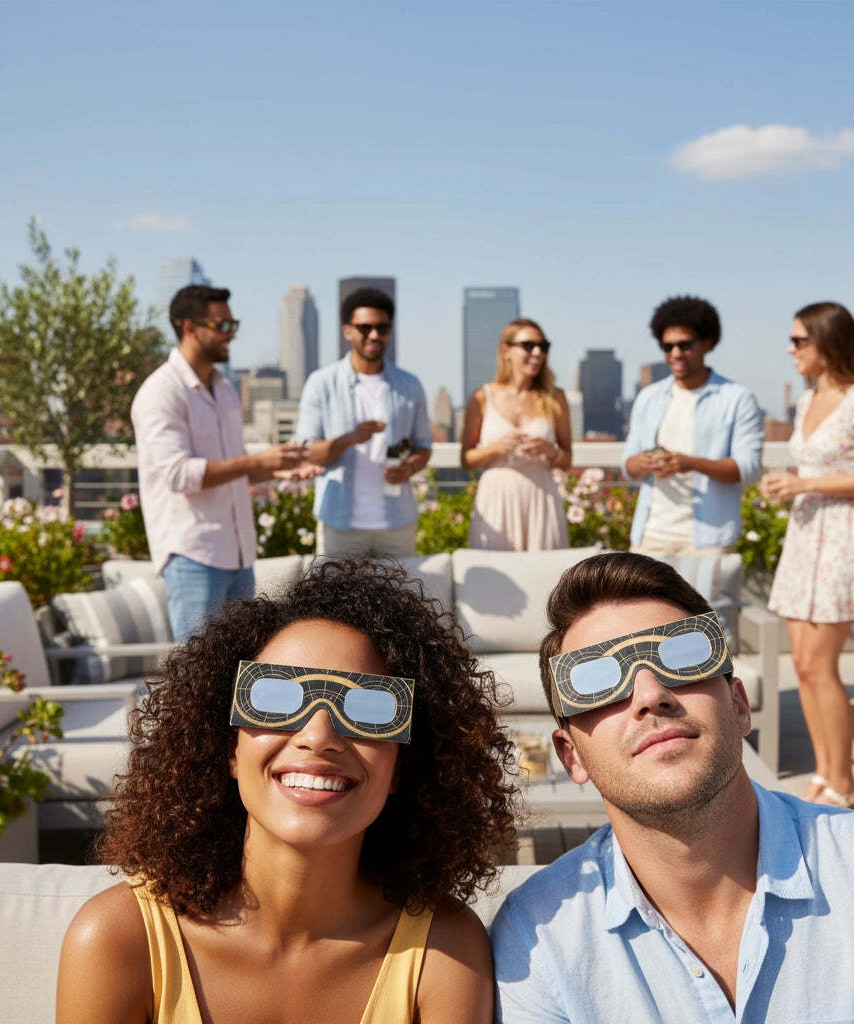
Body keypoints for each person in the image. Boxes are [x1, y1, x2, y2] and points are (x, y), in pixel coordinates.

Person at [491, 551, 854, 1023]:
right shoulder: (537, 943)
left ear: (740, 706)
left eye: (682, 656)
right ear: (570, 755)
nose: (650, 694)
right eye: (597, 681)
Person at [58, 556, 518, 1024]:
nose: (318, 736)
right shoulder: (119, 939)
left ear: (402, 765)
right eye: (276, 698)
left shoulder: (445, 951)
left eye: (368, 707)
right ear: (228, 750)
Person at [760, 302, 854, 810]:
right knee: (802, 664)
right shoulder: (809, 397)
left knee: (822, 665)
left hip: (838, 537)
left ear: (826, 341)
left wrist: (805, 482)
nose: (790, 349)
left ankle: (847, 783)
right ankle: (825, 772)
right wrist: (792, 489)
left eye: (799, 340)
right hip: (805, 534)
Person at [131, 285, 308, 641]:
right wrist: (256, 460)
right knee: (197, 678)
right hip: (193, 556)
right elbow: (180, 475)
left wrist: (276, 470)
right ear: (189, 328)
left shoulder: (225, 388)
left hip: (239, 556)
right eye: (222, 325)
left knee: (239, 672)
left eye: (233, 324)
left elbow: (233, 469)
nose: (231, 334)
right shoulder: (161, 392)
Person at [295, 288, 432, 557]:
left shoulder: (410, 385)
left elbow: (423, 446)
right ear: (347, 331)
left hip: (397, 523)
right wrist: (351, 438)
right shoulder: (321, 383)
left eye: (382, 328)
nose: (374, 335)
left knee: (401, 599)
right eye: (365, 327)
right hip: (340, 523)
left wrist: (409, 468)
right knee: (335, 599)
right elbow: (307, 452)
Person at [623, 296, 764, 556]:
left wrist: (692, 463)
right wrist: (644, 463)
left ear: (707, 344)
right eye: (667, 347)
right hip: (651, 537)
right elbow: (627, 464)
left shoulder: (737, 398)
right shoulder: (649, 397)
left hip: (710, 541)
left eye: (684, 345)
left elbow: (749, 468)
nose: (675, 354)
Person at [461, 318, 571, 550]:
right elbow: (466, 460)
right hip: (495, 498)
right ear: (506, 351)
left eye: (543, 346)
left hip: (541, 497)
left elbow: (568, 460)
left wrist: (550, 451)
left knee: (545, 575)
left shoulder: (556, 397)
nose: (538, 352)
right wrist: (496, 448)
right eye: (529, 345)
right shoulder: (481, 397)